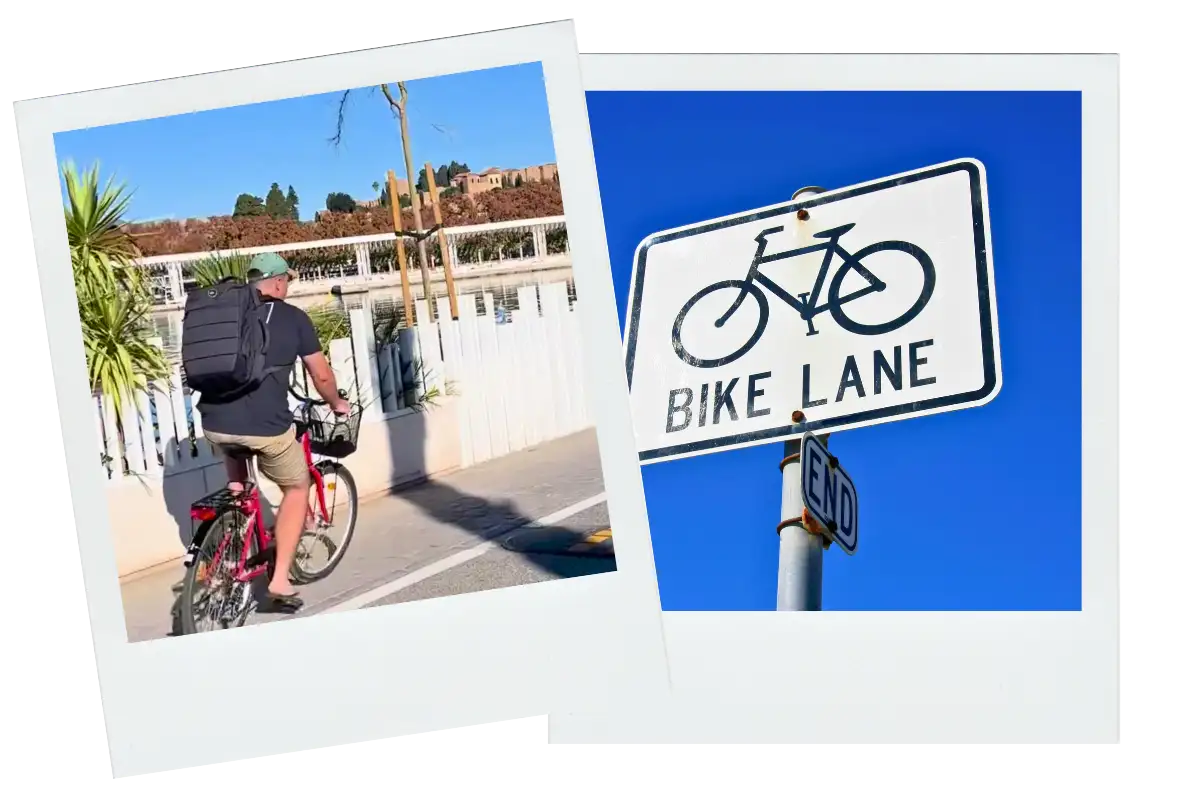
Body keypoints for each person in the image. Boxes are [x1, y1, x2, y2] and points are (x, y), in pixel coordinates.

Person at [195, 252, 350, 612]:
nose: (287, 287)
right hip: (264, 428)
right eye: (287, 282)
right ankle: (279, 579)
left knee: (237, 466)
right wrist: (336, 403)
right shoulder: (293, 318)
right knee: (296, 487)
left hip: (214, 423)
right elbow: (321, 375)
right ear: (278, 282)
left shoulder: (227, 314)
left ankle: (231, 523)